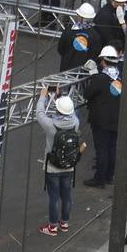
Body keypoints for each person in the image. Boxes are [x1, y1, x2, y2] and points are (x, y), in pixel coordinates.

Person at [36, 87, 82, 236]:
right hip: (69, 165)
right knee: (67, 196)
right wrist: (59, 98)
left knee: (54, 197)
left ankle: (52, 226)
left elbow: (39, 113)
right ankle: (64, 222)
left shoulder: (50, 125)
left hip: (53, 166)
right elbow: (70, 112)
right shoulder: (75, 122)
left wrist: (43, 96)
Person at [83, 45, 121, 188]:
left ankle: (100, 179)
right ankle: (109, 176)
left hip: (101, 119)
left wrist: (93, 76)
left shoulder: (101, 78)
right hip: (116, 117)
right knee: (112, 148)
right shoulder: (121, 75)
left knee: (102, 150)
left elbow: (88, 93)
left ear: (103, 62)